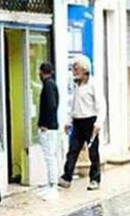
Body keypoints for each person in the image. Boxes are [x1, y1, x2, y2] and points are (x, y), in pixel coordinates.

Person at [59, 55, 106, 191]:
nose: (74, 71)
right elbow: (74, 106)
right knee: (73, 150)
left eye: (76, 68)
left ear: (85, 69)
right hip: (78, 121)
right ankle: (67, 177)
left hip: (90, 121)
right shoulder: (76, 86)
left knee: (93, 152)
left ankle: (95, 179)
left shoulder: (93, 84)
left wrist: (98, 123)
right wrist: (69, 121)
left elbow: (101, 105)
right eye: (73, 68)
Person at [38, 62, 60, 200]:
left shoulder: (48, 85)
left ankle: (53, 185)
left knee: (50, 157)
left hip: (49, 128)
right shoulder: (51, 84)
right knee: (50, 156)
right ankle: (50, 183)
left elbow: (51, 105)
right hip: (51, 126)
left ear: (41, 72)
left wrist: (46, 123)